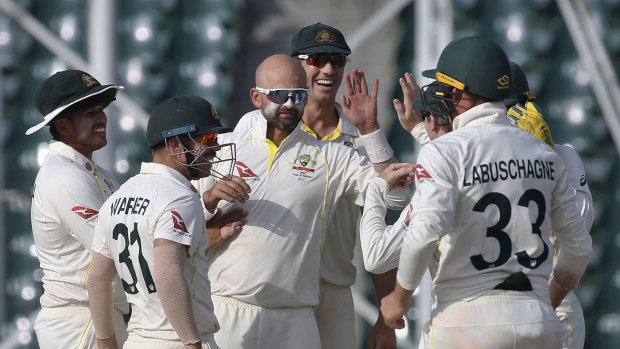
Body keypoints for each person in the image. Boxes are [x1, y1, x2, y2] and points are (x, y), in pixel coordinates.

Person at [373, 36, 592, 349]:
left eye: (446, 87)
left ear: (461, 92)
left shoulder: (443, 150)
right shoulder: (545, 155)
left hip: (466, 320)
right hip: (537, 320)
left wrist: (399, 299)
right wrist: (549, 300)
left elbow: (422, 235)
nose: (441, 94)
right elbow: (579, 250)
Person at [194, 54, 413, 349]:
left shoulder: (331, 155)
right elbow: (178, 222)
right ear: (256, 97)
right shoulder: (224, 148)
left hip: (295, 318)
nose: (289, 104)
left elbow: (396, 197)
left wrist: (370, 129)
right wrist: (208, 201)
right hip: (227, 310)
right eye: (279, 95)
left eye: (297, 95)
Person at [234, 23, 399, 349]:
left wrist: (386, 315)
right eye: (317, 59)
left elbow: (387, 211)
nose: (328, 69)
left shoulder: (363, 138)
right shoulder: (254, 126)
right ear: (296, 64)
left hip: (331, 291)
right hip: (271, 290)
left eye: (337, 61)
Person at [87, 95, 236, 348]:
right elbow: (168, 273)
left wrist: (106, 343)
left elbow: (98, 279)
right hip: (177, 340)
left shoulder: (118, 197)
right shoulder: (180, 197)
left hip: (137, 341)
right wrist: (192, 343)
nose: (217, 148)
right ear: (176, 144)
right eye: (208, 139)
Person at [26, 69, 129, 348]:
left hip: (96, 318)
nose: (102, 118)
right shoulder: (65, 176)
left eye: (101, 109)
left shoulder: (94, 173)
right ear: (63, 126)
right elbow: (119, 248)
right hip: (79, 323)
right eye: (89, 113)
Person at [505, 61, 593, 349]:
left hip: (552, 307)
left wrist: (545, 161)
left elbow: (578, 230)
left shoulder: (563, 155)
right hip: (496, 311)